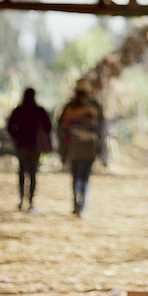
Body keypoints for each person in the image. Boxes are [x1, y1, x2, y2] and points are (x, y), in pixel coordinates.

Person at [57, 78, 106, 217]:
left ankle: (75, 205)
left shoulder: (69, 107)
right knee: (85, 177)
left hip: (73, 146)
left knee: (75, 176)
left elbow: (61, 127)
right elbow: (101, 128)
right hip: (89, 147)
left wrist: (64, 145)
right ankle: (82, 207)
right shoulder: (95, 106)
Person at [6, 87, 53, 213]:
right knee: (32, 174)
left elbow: (10, 126)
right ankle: (31, 201)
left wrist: (17, 137)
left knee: (22, 172)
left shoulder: (19, 110)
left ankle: (22, 199)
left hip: (21, 145)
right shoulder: (39, 111)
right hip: (35, 146)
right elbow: (48, 127)